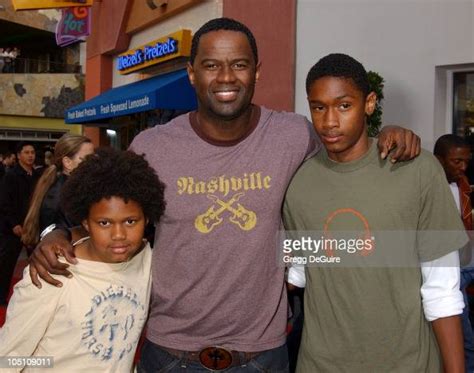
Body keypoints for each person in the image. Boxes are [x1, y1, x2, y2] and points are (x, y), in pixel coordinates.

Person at [30, 18, 420, 372]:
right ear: (191, 73)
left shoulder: (294, 135)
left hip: (263, 355)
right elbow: (102, 214)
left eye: (239, 64)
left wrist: (384, 135)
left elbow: (344, 170)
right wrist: (56, 234)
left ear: (256, 72)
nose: (226, 77)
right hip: (170, 354)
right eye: (212, 65)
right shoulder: (153, 146)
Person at [283, 53, 467, 372]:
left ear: (369, 103)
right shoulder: (299, 184)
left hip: (408, 364)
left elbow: (443, 292)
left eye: (343, 105)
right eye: (318, 107)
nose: (329, 122)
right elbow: (300, 274)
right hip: (319, 364)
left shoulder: (419, 171)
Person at [0, 148, 166, 372]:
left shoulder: (146, 260)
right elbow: (7, 359)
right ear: (85, 223)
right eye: (104, 223)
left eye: (130, 222)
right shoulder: (50, 273)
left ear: (146, 219)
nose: (119, 235)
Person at [434, 134, 474, 372]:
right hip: (447, 270)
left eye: (466, 161)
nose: (463, 167)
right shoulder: (429, 188)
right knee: (463, 337)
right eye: (457, 161)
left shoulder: (462, 185)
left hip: (465, 261)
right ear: (438, 160)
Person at [21, 134, 94, 249]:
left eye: (94, 158)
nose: (93, 164)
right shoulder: (67, 195)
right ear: (67, 162)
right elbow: (75, 238)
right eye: (87, 159)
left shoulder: (66, 188)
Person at [0, 142, 40, 305]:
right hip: (12, 229)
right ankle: (1, 298)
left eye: (32, 152)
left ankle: (36, 296)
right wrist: (14, 224)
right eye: (26, 152)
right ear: (18, 155)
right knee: (6, 265)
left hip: (33, 227)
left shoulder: (37, 176)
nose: (31, 155)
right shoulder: (11, 176)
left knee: (37, 262)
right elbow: (4, 203)